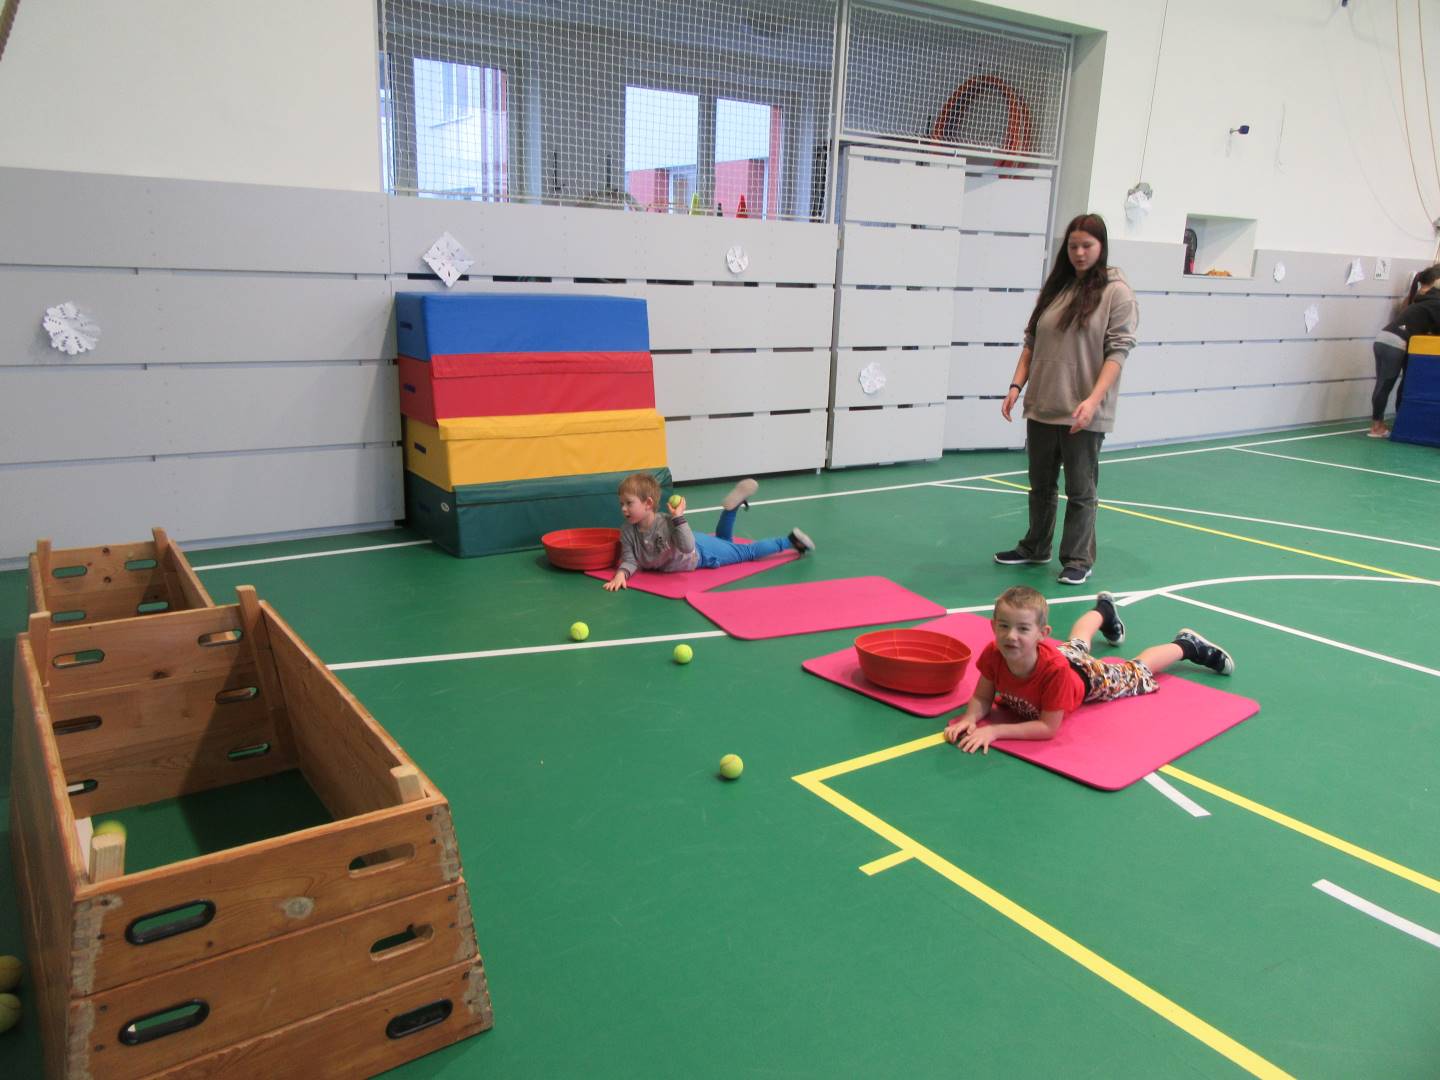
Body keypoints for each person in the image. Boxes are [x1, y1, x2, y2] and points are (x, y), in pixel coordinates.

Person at [994, 213, 1139, 586]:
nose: (1079, 253)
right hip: (1043, 406)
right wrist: (1016, 386)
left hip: (1082, 412)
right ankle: (1035, 546)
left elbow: (1118, 352)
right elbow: (1032, 343)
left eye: (1087, 246)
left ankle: (1077, 558)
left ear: (1102, 247)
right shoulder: (1056, 288)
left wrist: (1093, 400)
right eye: (1073, 246)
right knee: (1040, 486)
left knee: (1080, 490)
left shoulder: (1116, 293)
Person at [944, 586, 1234, 755]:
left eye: (1023, 629)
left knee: (1137, 672)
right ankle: (1104, 612)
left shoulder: (1054, 672)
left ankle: (1187, 645)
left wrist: (995, 731)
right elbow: (982, 697)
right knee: (1076, 644)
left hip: (1088, 678)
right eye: (1004, 626)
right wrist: (970, 718)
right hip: (1063, 657)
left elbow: (1047, 728)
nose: (1011, 636)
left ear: (1042, 634)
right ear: (993, 626)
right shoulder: (994, 653)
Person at [603, 474, 814, 591]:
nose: (623, 509)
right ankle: (731, 509)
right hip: (698, 543)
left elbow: (688, 547)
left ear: (648, 503)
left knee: (746, 552)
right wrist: (622, 574)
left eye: (629, 503)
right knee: (724, 541)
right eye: (621, 504)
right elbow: (630, 558)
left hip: (701, 553)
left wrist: (678, 517)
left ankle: (790, 541)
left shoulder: (667, 523)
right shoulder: (627, 531)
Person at [1369, 265, 1440, 438]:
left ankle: (1378, 424)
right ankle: (1381, 427)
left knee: (1383, 384)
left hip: (1383, 338)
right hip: (1397, 342)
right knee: (1395, 384)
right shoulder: (1435, 303)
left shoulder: (1417, 300)